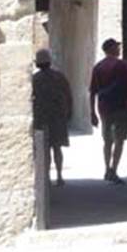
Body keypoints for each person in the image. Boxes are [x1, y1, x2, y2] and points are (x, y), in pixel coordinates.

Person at [89, 38, 127, 185]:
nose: (119, 49)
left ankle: (106, 169)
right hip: (121, 107)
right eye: (117, 46)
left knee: (107, 141)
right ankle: (114, 169)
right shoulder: (124, 65)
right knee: (120, 140)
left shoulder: (98, 67)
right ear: (110, 49)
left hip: (104, 108)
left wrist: (92, 112)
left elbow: (93, 92)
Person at [31, 49, 73, 186]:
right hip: (57, 116)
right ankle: (60, 176)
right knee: (57, 148)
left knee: (44, 150)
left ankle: (47, 177)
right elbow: (68, 95)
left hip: (41, 116)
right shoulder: (59, 77)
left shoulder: (35, 79)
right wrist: (69, 112)